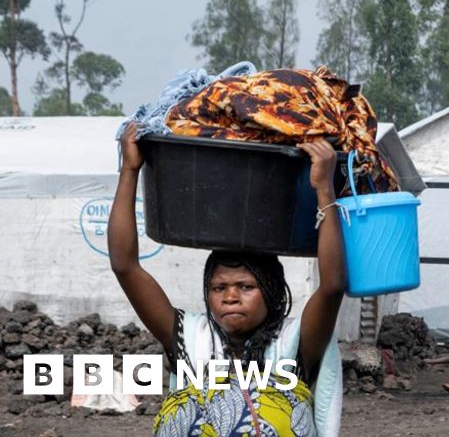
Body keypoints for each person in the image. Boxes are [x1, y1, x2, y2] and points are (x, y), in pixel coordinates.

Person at [109, 122, 346, 437]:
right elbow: (125, 266)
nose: (230, 297)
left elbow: (332, 287)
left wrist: (324, 189)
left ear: (272, 292)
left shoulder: (294, 343)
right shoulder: (190, 339)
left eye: (246, 287)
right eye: (218, 288)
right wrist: (130, 171)